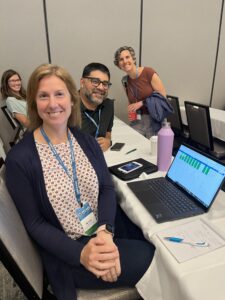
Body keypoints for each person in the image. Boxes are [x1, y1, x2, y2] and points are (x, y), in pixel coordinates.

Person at [5, 63, 155, 300]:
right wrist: (82, 254)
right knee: (149, 256)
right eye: (44, 96)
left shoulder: (84, 141)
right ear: (33, 102)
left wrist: (106, 232)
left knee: (155, 238)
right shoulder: (20, 159)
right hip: (68, 248)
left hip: (101, 226)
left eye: (59, 94)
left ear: (72, 99)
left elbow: (106, 188)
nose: (53, 104)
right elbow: (34, 223)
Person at [114, 46, 167, 138]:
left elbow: (163, 98)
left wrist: (142, 103)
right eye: (121, 59)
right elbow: (131, 101)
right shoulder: (125, 81)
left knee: (154, 151)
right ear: (119, 65)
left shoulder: (148, 72)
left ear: (133, 59)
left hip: (155, 120)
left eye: (127, 57)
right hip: (138, 122)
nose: (125, 61)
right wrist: (131, 111)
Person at [79, 63, 114, 152]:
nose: (101, 87)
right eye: (95, 82)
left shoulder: (108, 105)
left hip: (103, 159)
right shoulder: (67, 108)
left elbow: (108, 131)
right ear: (82, 82)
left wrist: (108, 141)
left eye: (105, 84)